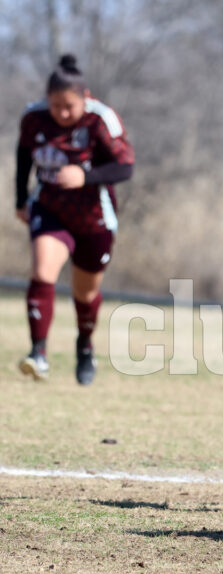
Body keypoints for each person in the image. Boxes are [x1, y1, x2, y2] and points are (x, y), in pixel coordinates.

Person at [16, 54, 135, 386]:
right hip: (50, 208)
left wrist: (86, 177)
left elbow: (125, 167)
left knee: (85, 293)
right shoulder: (34, 117)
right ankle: (38, 354)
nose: (62, 113)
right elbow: (23, 155)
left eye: (69, 106)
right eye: (55, 106)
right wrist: (20, 199)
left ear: (85, 98)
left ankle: (85, 346)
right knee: (42, 272)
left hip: (94, 217)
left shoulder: (101, 120)